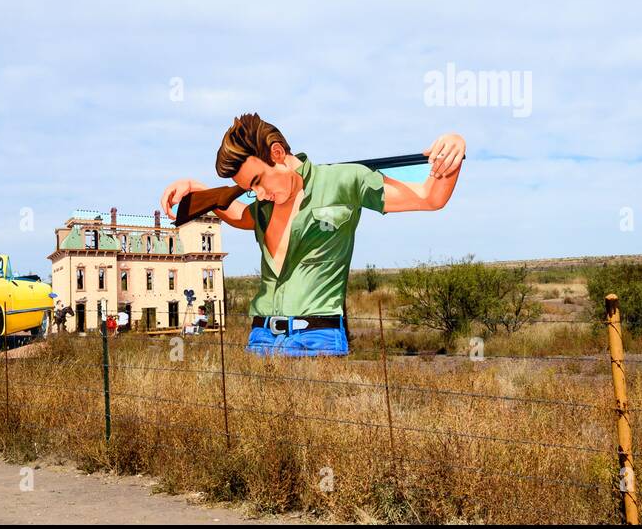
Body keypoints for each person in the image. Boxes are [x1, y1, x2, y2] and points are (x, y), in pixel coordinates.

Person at [161, 114, 464, 357]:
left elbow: (428, 197)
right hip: (259, 338)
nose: (259, 194)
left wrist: (454, 146)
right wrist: (198, 190)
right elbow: (240, 215)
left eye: (257, 181)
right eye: (250, 189)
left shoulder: (345, 180)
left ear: (277, 154)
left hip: (317, 339)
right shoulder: (263, 207)